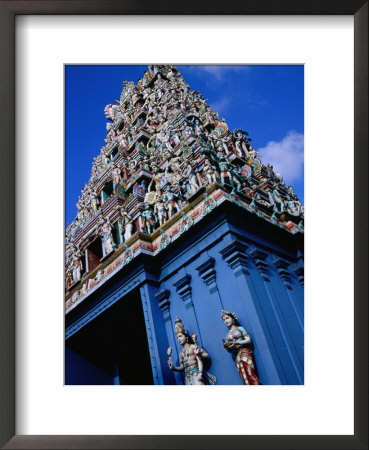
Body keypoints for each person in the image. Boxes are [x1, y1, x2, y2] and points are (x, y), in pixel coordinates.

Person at [221, 310, 261, 385]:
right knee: (244, 377)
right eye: (224, 320)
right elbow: (230, 350)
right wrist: (228, 347)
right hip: (237, 357)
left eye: (227, 318)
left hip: (244, 352)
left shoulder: (240, 328)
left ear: (233, 319)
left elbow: (248, 340)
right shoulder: (227, 335)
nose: (226, 321)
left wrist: (237, 342)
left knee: (250, 374)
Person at [167, 317, 208, 385]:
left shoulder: (192, 347)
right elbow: (182, 367)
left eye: (180, 336)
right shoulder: (181, 354)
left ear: (185, 336)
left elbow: (205, 355)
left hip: (196, 374)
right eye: (177, 337)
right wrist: (174, 368)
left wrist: (199, 355)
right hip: (188, 378)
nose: (178, 339)